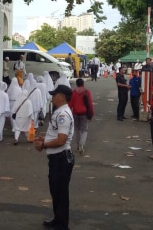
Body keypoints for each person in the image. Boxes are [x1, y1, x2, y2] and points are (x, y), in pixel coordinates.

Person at [34, 85, 74, 230]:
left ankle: (62, 224)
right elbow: (56, 135)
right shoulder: (60, 112)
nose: (52, 97)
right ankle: (58, 219)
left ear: (62, 97)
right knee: (56, 191)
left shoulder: (63, 115)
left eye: (54, 94)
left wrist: (44, 145)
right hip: (58, 158)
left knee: (61, 192)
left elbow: (62, 140)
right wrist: (44, 140)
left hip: (61, 158)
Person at [70, 78, 93, 155]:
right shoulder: (87, 91)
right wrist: (91, 114)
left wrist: (69, 113)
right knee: (84, 129)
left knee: (77, 129)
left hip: (75, 113)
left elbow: (70, 104)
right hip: (84, 113)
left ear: (76, 84)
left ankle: (78, 145)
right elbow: (90, 104)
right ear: (83, 84)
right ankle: (81, 144)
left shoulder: (73, 92)